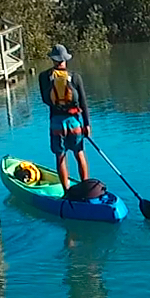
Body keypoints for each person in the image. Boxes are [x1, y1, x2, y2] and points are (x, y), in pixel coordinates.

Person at [37, 44, 91, 190]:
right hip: (74, 122)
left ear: (53, 60)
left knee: (60, 156)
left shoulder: (43, 77)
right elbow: (83, 101)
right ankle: (85, 187)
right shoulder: (75, 77)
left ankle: (66, 191)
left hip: (56, 122)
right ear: (66, 59)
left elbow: (45, 100)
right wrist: (87, 124)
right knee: (79, 154)